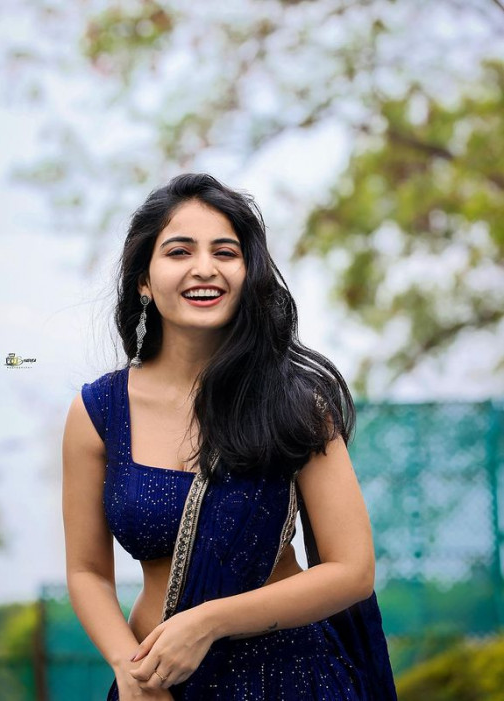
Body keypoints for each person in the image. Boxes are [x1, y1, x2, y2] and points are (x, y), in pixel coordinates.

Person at [62, 173, 398, 700]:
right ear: (143, 280)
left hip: (290, 677)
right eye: (178, 251)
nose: (204, 268)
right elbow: (87, 571)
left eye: (226, 252)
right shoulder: (99, 411)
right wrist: (127, 669)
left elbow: (352, 570)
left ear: (248, 273)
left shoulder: (292, 403)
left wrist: (208, 622)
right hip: (158, 684)